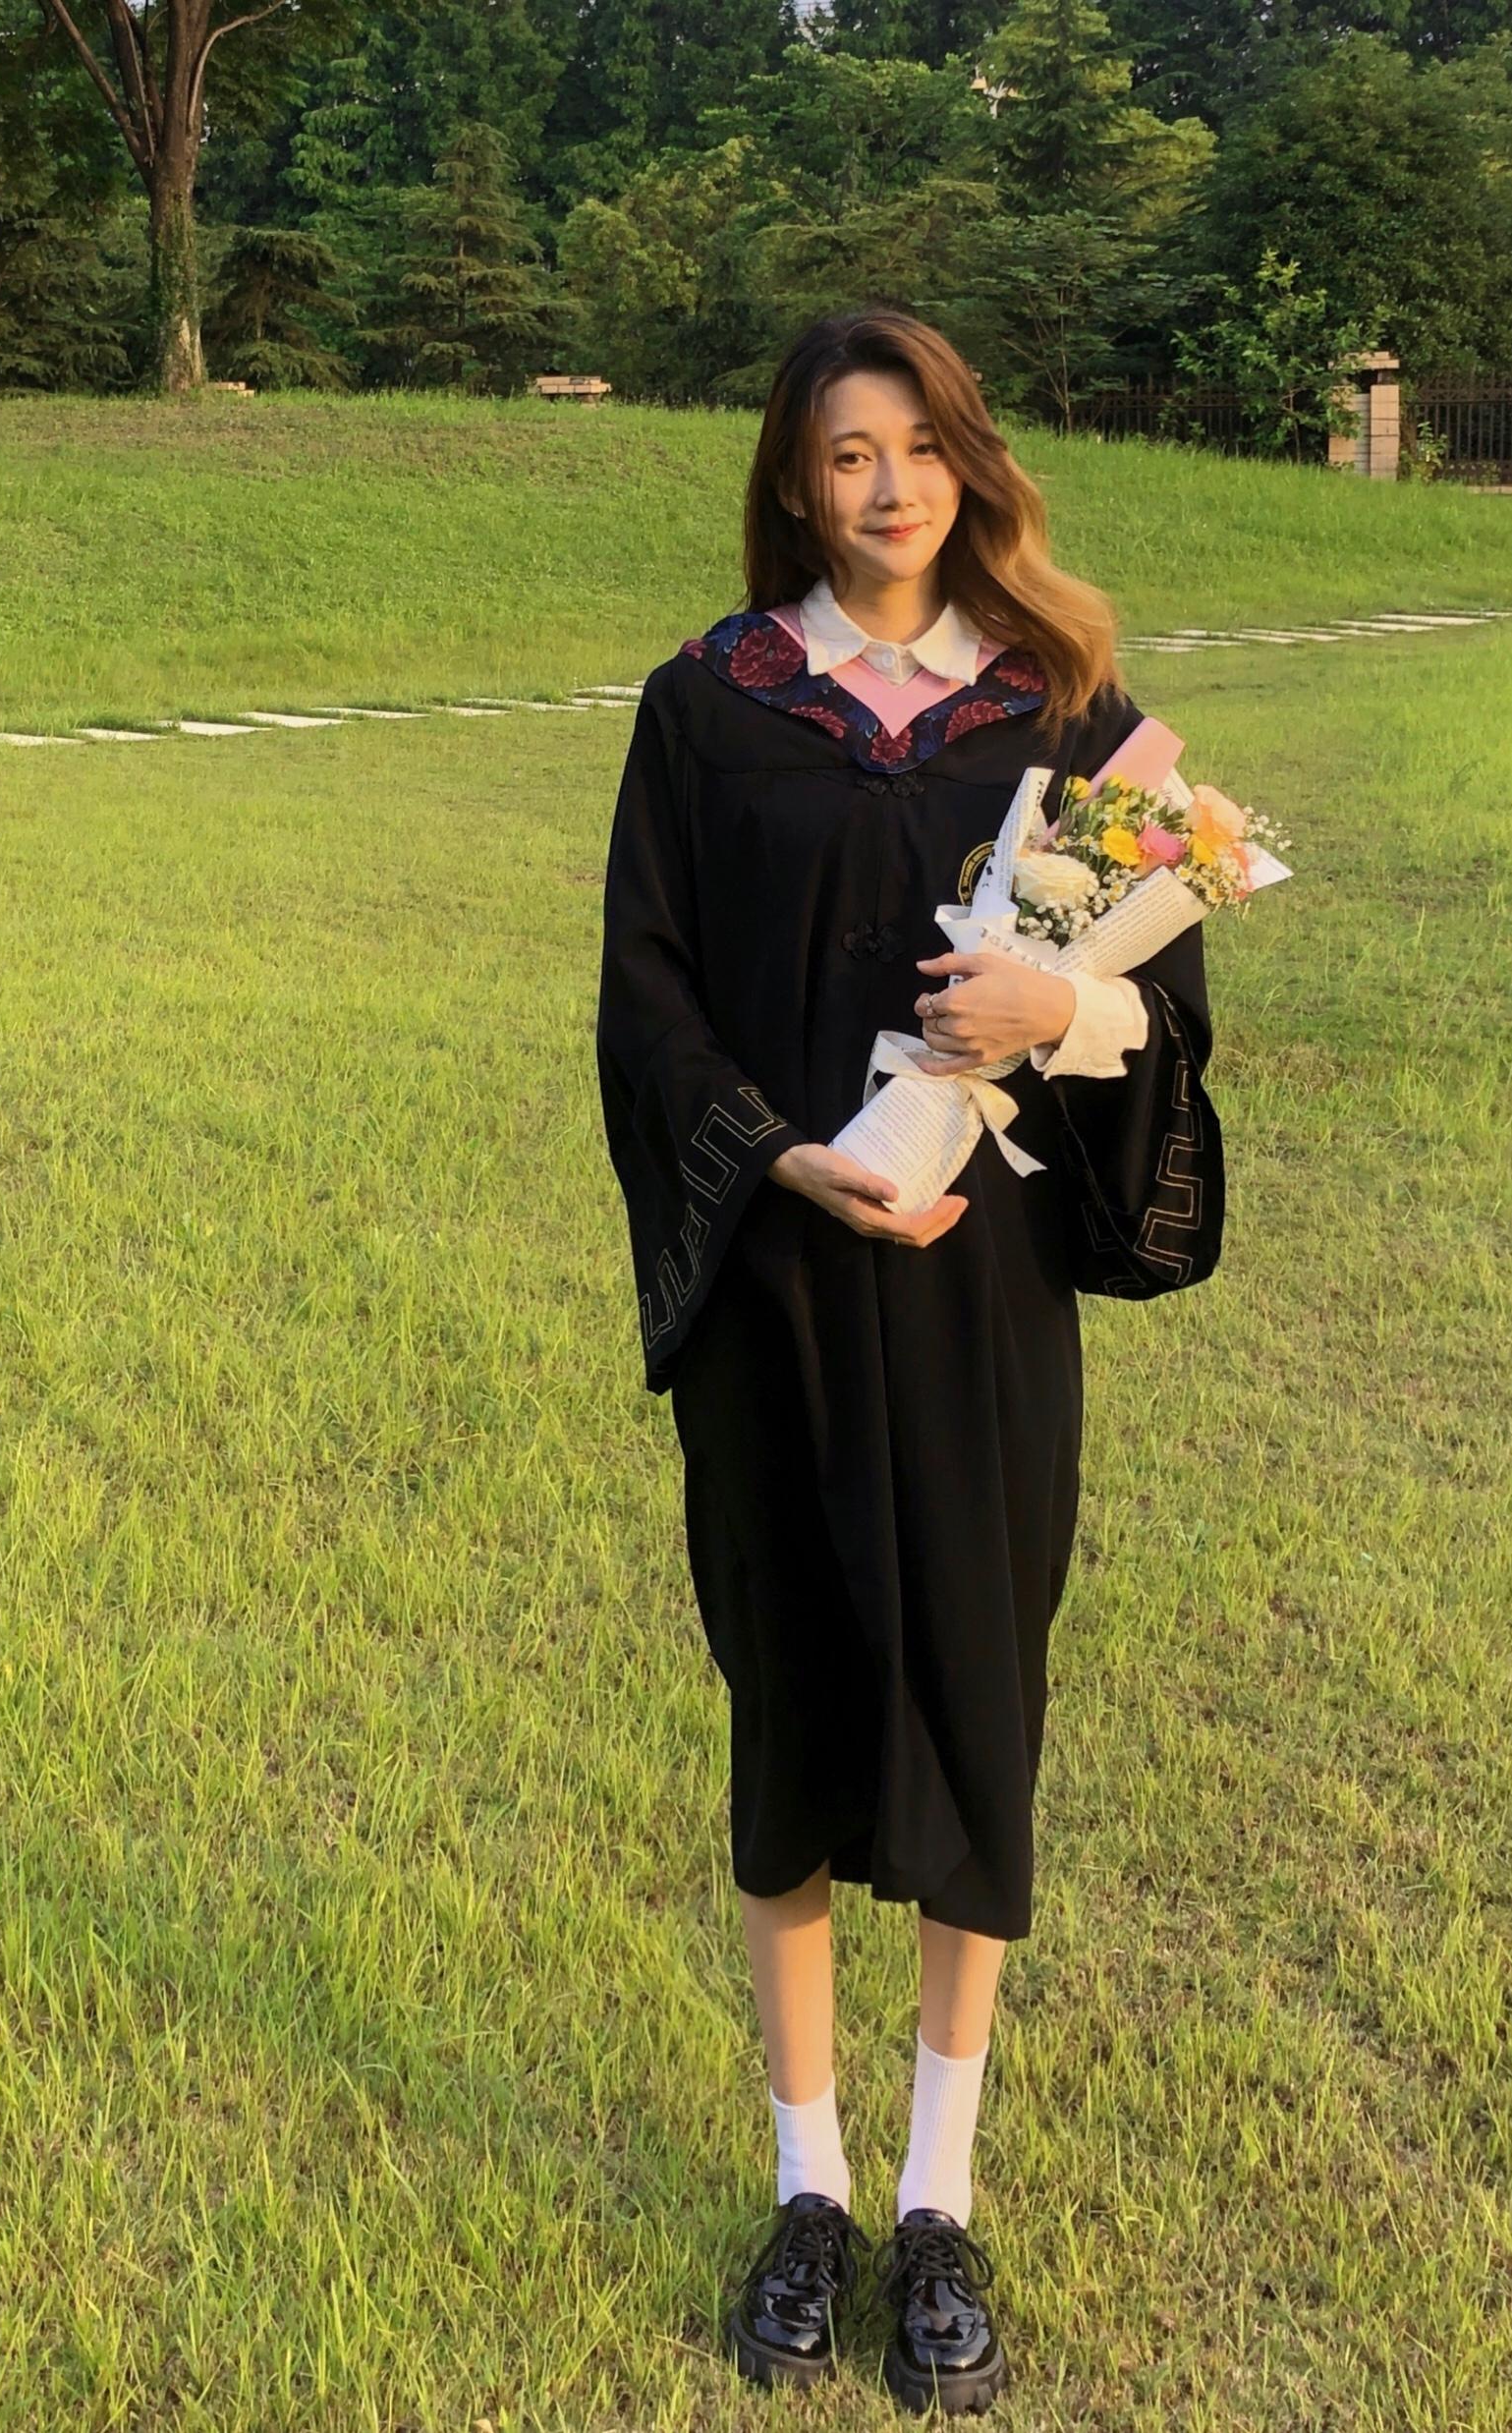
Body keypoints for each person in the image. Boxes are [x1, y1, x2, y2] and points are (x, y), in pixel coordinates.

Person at [593, 309, 1224, 2413]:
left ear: (969, 461)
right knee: (787, 1704)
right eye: (846, 452)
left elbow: (1162, 1015)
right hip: (782, 1283)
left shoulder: (1057, 712)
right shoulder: (710, 705)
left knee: (971, 1700)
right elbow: (644, 996)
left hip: (976, 1297)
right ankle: (809, 2185)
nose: (887, 487)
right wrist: (771, 1153)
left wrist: (1063, 1016)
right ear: (793, 476)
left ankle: (935, 2196)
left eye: (920, 446)